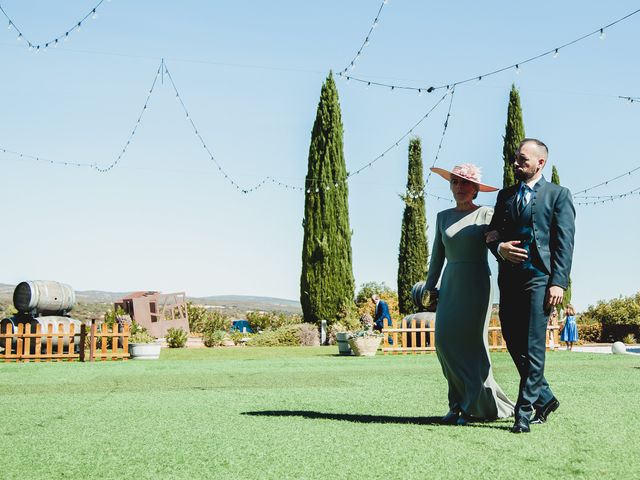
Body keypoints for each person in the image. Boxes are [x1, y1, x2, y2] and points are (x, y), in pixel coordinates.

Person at [487, 138, 576, 433]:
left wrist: (558, 283)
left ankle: (524, 413)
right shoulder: (505, 196)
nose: (516, 163)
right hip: (510, 280)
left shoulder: (558, 195)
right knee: (514, 343)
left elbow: (564, 243)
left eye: (522, 159)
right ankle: (547, 397)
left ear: (540, 162)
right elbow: (491, 234)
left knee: (534, 346)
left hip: (540, 279)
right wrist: (500, 248)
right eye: (515, 158)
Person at [424, 163, 515, 426]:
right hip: (450, 283)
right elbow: (436, 258)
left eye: (465, 183)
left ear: (475, 189)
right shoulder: (443, 216)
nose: (459, 187)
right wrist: (430, 288)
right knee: (444, 342)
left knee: (473, 345)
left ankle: (472, 406)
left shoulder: (488, 214)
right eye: (455, 182)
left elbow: (498, 246)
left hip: (477, 283)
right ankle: (457, 402)